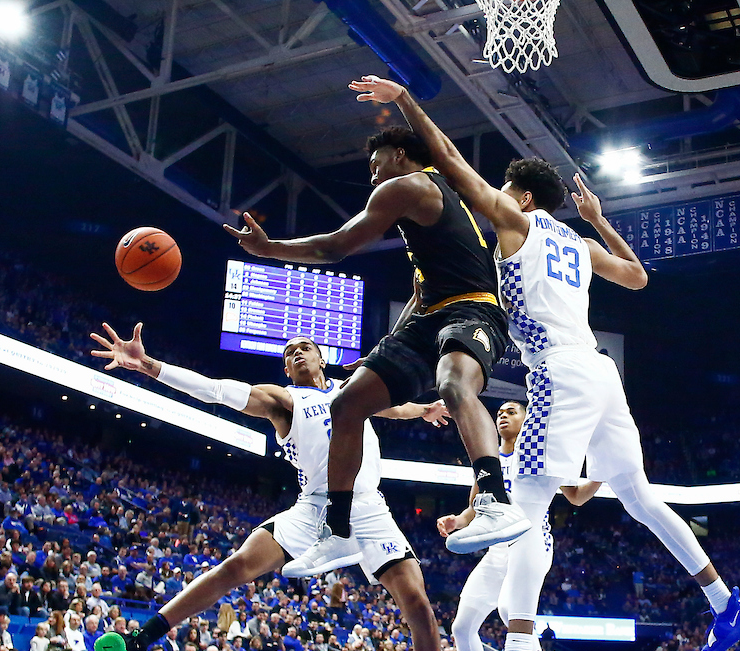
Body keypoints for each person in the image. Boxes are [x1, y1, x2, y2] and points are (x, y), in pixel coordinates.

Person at [356, 73, 740, 651]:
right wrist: (598, 219)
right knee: (640, 498)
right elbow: (638, 276)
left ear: (520, 196)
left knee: (521, 509)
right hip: (602, 373)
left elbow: (452, 163)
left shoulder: (515, 221)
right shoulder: (578, 241)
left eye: (504, 190)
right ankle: (726, 603)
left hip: (559, 372)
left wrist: (406, 102)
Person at [88, 324, 465, 651]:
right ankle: (138, 643)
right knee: (236, 566)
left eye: (305, 347)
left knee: (418, 604)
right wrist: (149, 366)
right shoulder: (285, 400)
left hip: (368, 507)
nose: (297, 353)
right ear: (286, 369)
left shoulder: (353, 390)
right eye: (289, 353)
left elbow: (392, 408)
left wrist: (423, 410)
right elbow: (215, 390)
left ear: (322, 358)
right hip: (314, 507)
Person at [223, 125, 529, 580]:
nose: (372, 177)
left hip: (475, 310)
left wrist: (269, 249)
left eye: (375, 164)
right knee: (346, 404)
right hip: (431, 317)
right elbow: (419, 296)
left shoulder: (412, 185)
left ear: (400, 155)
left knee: (453, 382)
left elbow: (334, 247)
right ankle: (338, 531)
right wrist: (382, 355)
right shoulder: (430, 219)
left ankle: (495, 500)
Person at [438, 400, 601, 651]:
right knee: (462, 627)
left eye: (511, 411)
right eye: (500, 412)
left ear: (527, 420)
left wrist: (602, 473)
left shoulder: (540, 455)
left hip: (532, 542)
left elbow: (576, 496)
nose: (502, 415)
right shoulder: (488, 459)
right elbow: (475, 508)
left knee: (510, 610)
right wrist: (457, 520)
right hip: (497, 549)